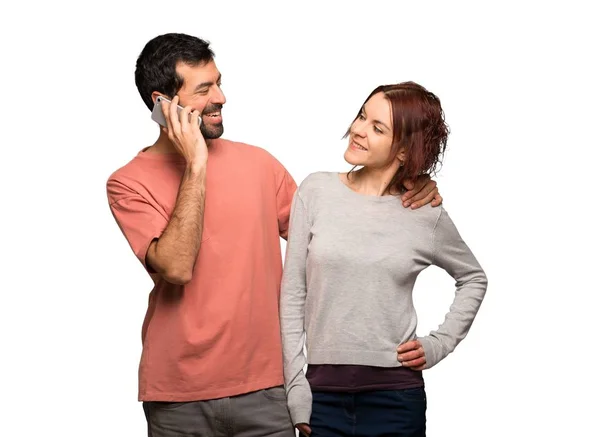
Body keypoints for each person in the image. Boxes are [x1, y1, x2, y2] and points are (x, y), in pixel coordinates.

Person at [106, 33, 443, 437]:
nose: (222, 97)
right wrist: (196, 164)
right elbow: (175, 268)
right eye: (204, 89)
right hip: (178, 395)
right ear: (163, 103)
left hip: (269, 390)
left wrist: (407, 182)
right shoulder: (127, 183)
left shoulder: (259, 165)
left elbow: (338, 232)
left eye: (218, 82)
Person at [280, 81, 488, 437]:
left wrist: (439, 344)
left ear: (404, 150)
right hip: (321, 396)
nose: (358, 130)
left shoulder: (424, 213)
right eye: (363, 116)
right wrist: (295, 385)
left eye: (377, 128)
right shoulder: (315, 191)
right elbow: (293, 292)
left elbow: (473, 278)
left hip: (396, 398)